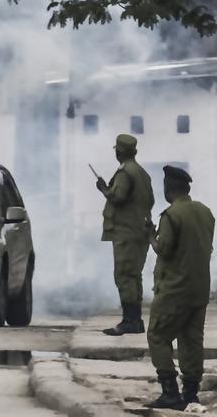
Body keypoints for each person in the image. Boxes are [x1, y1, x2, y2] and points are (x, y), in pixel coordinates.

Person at [143, 166, 214, 410]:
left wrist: (151, 236)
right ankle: (190, 394)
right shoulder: (206, 212)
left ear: (168, 188)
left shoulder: (171, 215)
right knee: (191, 339)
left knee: (157, 335)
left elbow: (165, 249)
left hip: (176, 289)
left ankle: (169, 392)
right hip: (200, 288)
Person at [95, 134, 155, 336]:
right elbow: (151, 200)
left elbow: (118, 197)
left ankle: (130, 321)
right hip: (139, 232)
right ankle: (135, 320)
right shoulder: (142, 173)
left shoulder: (125, 172)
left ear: (119, 153)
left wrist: (104, 189)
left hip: (126, 232)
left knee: (124, 276)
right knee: (133, 276)